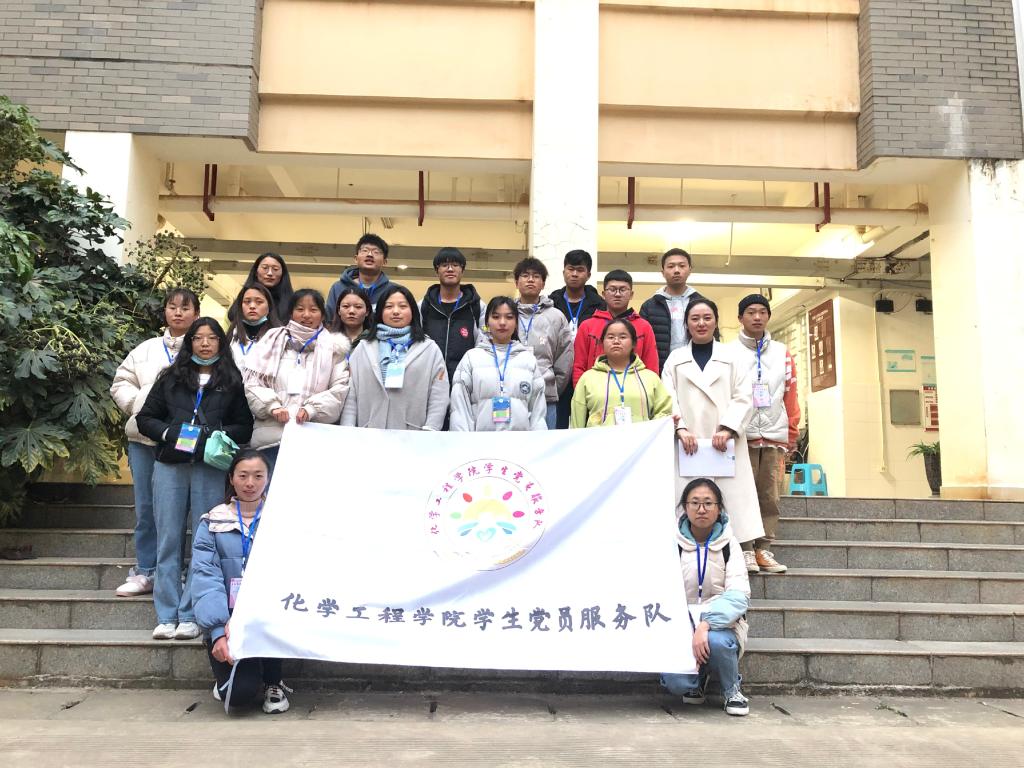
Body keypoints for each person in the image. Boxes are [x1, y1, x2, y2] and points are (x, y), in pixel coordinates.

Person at [135, 318, 254, 640]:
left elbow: (245, 426)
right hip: (170, 465)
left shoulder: (231, 380)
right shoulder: (170, 378)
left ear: (220, 343)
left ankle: (189, 614)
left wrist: (215, 434)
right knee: (168, 539)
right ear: (189, 343)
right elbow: (145, 418)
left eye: (211, 338)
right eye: (198, 338)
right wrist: (168, 433)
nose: (204, 343)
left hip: (209, 467)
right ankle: (166, 615)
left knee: (204, 542)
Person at [109, 288, 200, 597]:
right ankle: (146, 571)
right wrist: (141, 405)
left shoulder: (204, 347)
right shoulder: (146, 349)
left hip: (184, 438)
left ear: (196, 314)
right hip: (145, 437)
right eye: (172, 307)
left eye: (185, 308)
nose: (178, 313)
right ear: (165, 312)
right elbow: (120, 383)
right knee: (147, 507)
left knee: (183, 507)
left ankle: (179, 571)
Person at [191, 450, 290, 714]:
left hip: (268, 613)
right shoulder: (213, 521)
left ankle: (273, 681)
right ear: (231, 478)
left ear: (268, 479)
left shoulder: (284, 518)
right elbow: (205, 577)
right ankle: (235, 676)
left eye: (258, 476)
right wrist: (217, 632)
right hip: (228, 619)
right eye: (243, 476)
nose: (250, 483)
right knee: (238, 696)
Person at [662, 298, 764, 553]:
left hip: (725, 442)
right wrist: (680, 428)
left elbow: (744, 396)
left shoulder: (732, 357)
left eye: (707, 318)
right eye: (695, 318)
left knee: (733, 498)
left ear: (716, 322)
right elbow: (667, 396)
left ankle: (743, 550)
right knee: (689, 496)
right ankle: (686, 549)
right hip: (689, 442)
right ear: (686, 324)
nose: (701, 323)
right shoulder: (675, 359)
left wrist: (728, 428)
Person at [661, 478, 751, 717]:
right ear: (685, 507)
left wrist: (705, 624)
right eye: (695, 503)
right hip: (680, 624)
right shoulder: (672, 545)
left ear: (719, 508)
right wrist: (687, 626)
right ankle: (697, 680)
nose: (701, 509)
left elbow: (739, 595)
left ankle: (732, 690)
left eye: (708, 503)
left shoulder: (730, 545)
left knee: (718, 642)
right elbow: (662, 589)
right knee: (676, 684)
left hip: (720, 624)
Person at [730, 294, 801, 574]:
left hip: (773, 434)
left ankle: (764, 548)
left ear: (768, 316)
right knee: (742, 493)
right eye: (751, 312)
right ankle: (745, 548)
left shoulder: (782, 352)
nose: (757, 317)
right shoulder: (728, 352)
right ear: (740, 318)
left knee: (770, 495)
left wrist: (791, 431)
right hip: (741, 435)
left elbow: (791, 393)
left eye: (762, 312)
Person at [244, 289, 350, 467]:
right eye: (300, 309)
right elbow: (252, 383)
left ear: (323, 315)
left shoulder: (334, 350)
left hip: (313, 440)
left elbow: (340, 390)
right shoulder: (270, 342)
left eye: (313, 310)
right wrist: (272, 406)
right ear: (291, 313)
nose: (306, 315)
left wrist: (312, 409)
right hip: (270, 440)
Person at [341, 284, 449, 430]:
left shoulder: (429, 349)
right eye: (389, 306)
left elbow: (439, 395)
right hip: (368, 433)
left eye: (403, 306)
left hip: (413, 435)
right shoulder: (363, 347)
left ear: (413, 311)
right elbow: (351, 394)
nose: (396, 311)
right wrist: (347, 428)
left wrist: (431, 428)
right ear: (380, 312)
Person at [449, 296, 547, 432]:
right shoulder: (471, 358)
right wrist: (465, 441)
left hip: (520, 442)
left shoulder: (528, 360)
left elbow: (538, 412)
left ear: (516, 323)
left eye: (509, 317)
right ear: (487, 323)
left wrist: (538, 441)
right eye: (495, 317)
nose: (502, 322)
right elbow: (460, 408)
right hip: (481, 442)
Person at [570, 318, 672, 428]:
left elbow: (664, 412)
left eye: (623, 337)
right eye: (610, 337)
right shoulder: (588, 378)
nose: (616, 341)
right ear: (602, 343)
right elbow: (577, 421)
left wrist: (649, 430)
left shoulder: (650, 378)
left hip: (641, 438)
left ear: (634, 343)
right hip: (599, 438)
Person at [513, 257, 572, 430]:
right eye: (525, 275)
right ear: (516, 282)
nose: (530, 280)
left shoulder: (556, 317)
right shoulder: (506, 313)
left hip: (546, 397)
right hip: (511, 395)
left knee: (544, 443)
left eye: (536, 276)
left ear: (543, 284)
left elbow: (564, 359)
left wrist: (552, 387)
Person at [572, 269, 659, 386]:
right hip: (595, 391)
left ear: (631, 294)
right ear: (603, 294)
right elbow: (578, 367)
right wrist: (581, 392)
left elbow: (652, 367)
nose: (617, 294)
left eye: (623, 290)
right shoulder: (587, 326)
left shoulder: (644, 327)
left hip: (634, 391)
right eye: (612, 289)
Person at [549, 249, 605, 428]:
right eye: (570, 269)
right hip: (558, 374)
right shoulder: (551, 303)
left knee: (587, 426)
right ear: (563, 271)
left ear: (588, 275)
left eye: (580, 270)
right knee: (558, 425)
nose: (574, 274)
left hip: (588, 373)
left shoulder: (600, 305)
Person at [420, 247, 484, 386]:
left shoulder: (477, 306)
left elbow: (483, 345)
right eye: (444, 265)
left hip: (465, 381)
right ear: (437, 270)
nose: (450, 269)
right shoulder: (423, 306)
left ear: (462, 270)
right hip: (430, 380)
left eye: (455, 265)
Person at [640, 248, 700, 372]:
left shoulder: (701, 304)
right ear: (663, 272)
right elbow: (641, 344)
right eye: (671, 266)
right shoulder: (649, 307)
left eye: (682, 266)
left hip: (695, 369)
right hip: (660, 370)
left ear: (690, 270)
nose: (676, 270)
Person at [325, 233, 393, 313]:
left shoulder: (393, 291)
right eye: (365, 250)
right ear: (356, 259)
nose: (370, 254)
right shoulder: (338, 288)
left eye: (376, 252)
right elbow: (329, 318)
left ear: (385, 262)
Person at [226, 283, 281, 369]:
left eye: (259, 302)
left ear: (269, 306)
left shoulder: (280, 336)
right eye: (247, 302)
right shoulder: (231, 335)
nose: (252, 306)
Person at [240, 253, 293, 322]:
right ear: (256, 272)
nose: (270, 273)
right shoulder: (243, 296)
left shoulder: (292, 302)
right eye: (265, 268)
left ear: (282, 273)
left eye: (275, 269)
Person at [330, 286, 374, 351]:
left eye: (358, 307)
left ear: (367, 311)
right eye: (346, 306)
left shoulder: (375, 340)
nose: (351, 311)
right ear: (339, 310)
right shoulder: (328, 340)